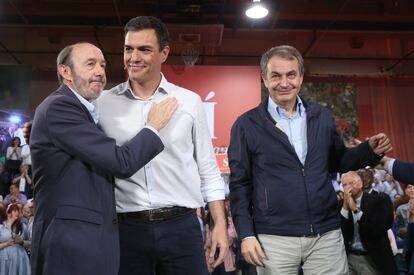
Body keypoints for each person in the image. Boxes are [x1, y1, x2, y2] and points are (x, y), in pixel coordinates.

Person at [228, 45, 392, 275]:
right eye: (276, 75)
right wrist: (246, 234)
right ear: (264, 79)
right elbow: (239, 184)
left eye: (291, 75)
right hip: (274, 238)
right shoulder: (246, 125)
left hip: (325, 236)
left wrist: (369, 150)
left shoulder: (321, 115)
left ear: (301, 77)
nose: (284, 83)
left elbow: (340, 161)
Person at [29, 42, 177, 275]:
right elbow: (121, 162)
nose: (100, 71)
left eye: (102, 65)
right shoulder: (60, 107)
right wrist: (153, 127)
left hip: (85, 242)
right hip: (72, 244)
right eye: (90, 64)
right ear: (65, 71)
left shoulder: (81, 112)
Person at [96, 16, 228, 275]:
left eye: (144, 49)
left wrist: (219, 226)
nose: (134, 57)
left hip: (182, 227)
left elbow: (208, 170)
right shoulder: (102, 103)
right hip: (125, 230)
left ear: (164, 53)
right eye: (128, 49)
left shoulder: (189, 102)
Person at [341, 171, 397, 275]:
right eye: (344, 184)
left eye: (351, 183)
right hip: (349, 258)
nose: (348, 187)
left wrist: (355, 210)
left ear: (360, 184)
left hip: (371, 257)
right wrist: (345, 205)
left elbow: (377, 229)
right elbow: (340, 230)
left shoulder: (378, 200)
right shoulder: (341, 204)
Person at [0, 203, 31, 275]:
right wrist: (6, 243)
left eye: (19, 211)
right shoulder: (1, 227)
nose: (17, 213)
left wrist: (22, 241)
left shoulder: (22, 226)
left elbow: (30, 243)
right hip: (4, 259)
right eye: (14, 210)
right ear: (8, 212)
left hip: (20, 258)